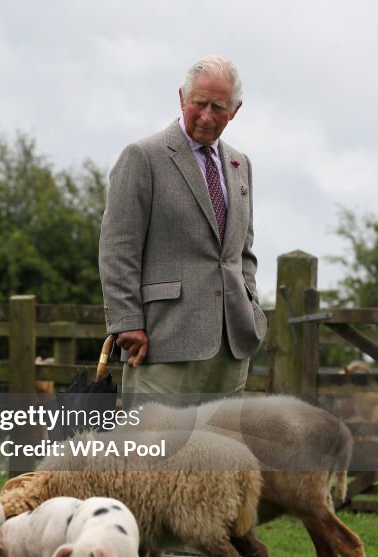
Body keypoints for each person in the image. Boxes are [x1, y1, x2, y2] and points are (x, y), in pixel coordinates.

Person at [98, 55, 266, 398]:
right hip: (163, 342)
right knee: (156, 450)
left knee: (221, 451)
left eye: (218, 107)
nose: (206, 115)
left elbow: (242, 252)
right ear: (181, 98)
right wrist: (127, 322)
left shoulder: (240, 164)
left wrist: (250, 304)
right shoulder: (142, 156)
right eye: (199, 103)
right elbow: (118, 249)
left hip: (231, 345)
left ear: (235, 110)